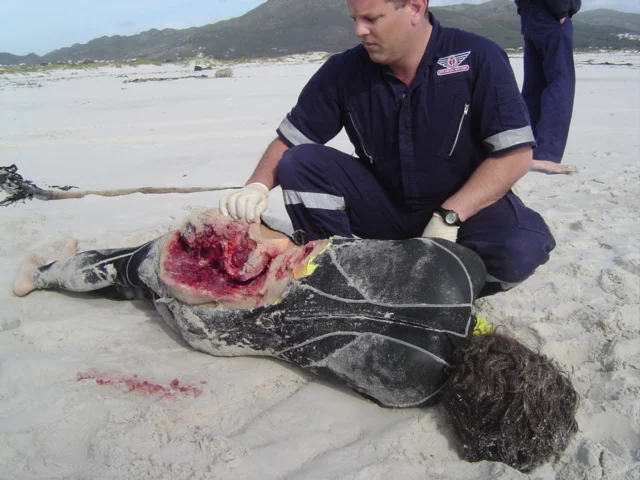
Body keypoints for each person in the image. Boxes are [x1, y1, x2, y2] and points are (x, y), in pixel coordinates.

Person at [13, 210, 578, 471]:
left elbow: (438, 259)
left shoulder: (459, 273)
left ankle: (46, 272)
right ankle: (58, 272)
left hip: (258, 266)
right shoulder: (409, 392)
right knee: (150, 283)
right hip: (219, 332)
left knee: (150, 264)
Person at [219, 0, 556, 298]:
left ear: (414, 7)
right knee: (299, 162)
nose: (359, 30)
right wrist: (257, 185)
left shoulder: (478, 57)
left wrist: (449, 216)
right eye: (354, 18)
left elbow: (515, 155)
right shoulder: (342, 71)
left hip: (462, 212)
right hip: (385, 205)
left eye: (371, 18)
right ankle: (338, 275)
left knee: (521, 249)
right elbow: (291, 141)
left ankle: (445, 297)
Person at [515, 0, 581, 174]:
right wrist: (561, 10)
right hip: (550, 15)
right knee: (560, 84)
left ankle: (522, 148)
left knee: (533, 87)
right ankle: (546, 153)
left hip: (530, 15)